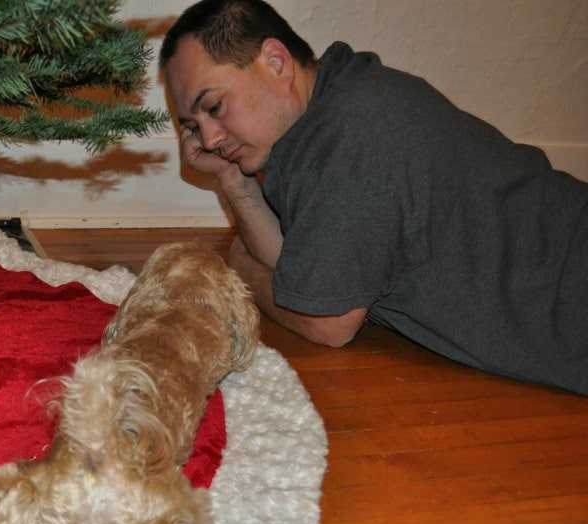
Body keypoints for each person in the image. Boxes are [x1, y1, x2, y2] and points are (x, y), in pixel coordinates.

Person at [159, 0, 588, 395]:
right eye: (193, 125)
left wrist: (241, 267)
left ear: (276, 62)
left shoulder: (352, 142)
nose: (209, 139)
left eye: (213, 106)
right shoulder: (338, 103)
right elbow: (306, 275)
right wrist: (234, 181)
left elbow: (328, 322)